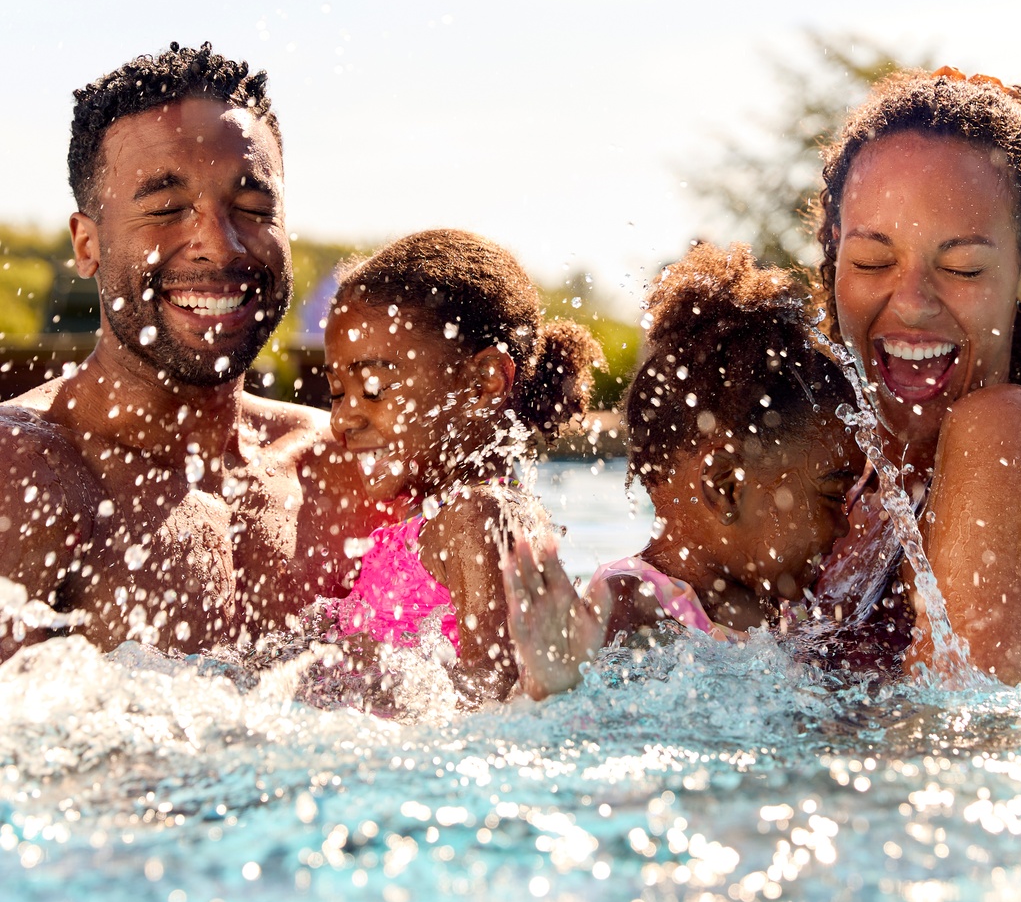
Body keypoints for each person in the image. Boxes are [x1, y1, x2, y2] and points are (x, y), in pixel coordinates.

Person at [0, 43, 376, 661]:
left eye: (254, 209)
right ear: (87, 244)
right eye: (167, 209)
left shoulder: (344, 466)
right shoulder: (25, 475)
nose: (218, 244)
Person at [814, 66, 1021, 684]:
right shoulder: (851, 465)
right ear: (834, 254)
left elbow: (963, 741)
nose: (911, 302)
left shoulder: (1008, 434)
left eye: (961, 268)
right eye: (872, 260)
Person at [505, 242, 860, 699]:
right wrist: (553, 688)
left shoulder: (782, 608)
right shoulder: (630, 605)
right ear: (725, 485)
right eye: (833, 495)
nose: (847, 524)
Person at [318, 228, 603, 701]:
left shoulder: (478, 517)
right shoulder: (438, 515)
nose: (342, 417)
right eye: (335, 392)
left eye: (372, 389)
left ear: (484, 382)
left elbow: (491, 698)